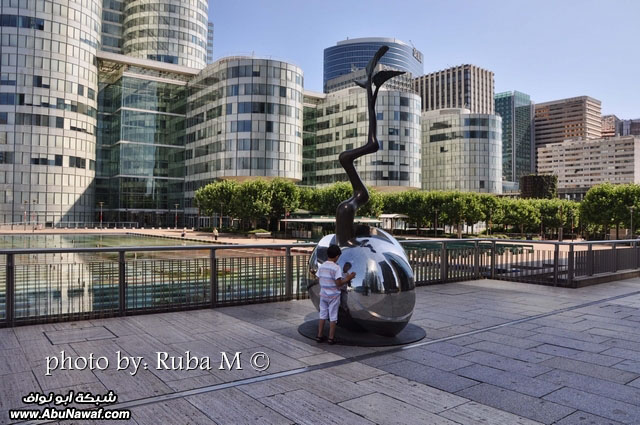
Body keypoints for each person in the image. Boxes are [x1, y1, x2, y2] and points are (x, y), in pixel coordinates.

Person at [316, 244, 356, 344]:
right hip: (333, 296)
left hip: (323, 295)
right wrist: (348, 278)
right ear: (337, 256)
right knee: (333, 316)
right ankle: (331, 338)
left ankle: (319, 336)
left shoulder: (323, 266)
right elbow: (339, 283)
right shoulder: (336, 268)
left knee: (322, 315)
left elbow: (318, 278)